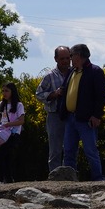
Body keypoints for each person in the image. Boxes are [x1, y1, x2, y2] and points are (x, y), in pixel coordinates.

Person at [60, 43, 105, 181]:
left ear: (79, 56)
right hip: (70, 118)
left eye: (71, 56)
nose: (70, 59)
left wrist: (96, 115)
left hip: (86, 119)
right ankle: (68, 180)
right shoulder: (71, 72)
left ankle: (98, 179)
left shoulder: (95, 71)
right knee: (68, 151)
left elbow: (102, 96)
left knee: (90, 151)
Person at [36, 46, 73, 178]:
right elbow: (38, 94)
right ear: (56, 59)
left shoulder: (75, 73)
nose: (65, 61)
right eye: (62, 58)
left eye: (68, 58)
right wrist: (54, 94)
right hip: (55, 115)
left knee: (70, 148)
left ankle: (69, 176)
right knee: (55, 149)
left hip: (71, 115)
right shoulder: (49, 76)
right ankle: (55, 178)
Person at [0, 82, 26, 183]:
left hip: (13, 134)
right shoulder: (2, 104)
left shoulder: (18, 105)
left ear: (12, 92)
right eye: (3, 91)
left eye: (7, 91)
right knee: (6, 156)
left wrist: (9, 124)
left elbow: (21, 120)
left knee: (2, 155)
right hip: (3, 133)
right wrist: (1, 122)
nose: (4, 93)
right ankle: (8, 179)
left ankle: (0, 179)